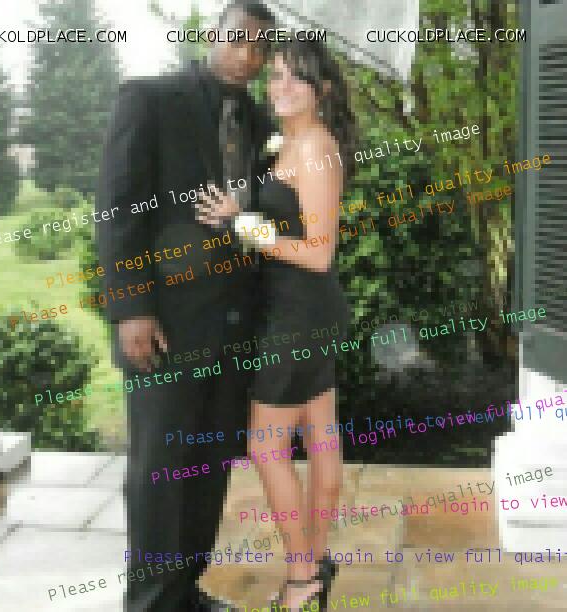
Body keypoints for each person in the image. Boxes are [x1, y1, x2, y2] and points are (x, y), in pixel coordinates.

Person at [96, 2, 276, 610]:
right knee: (160, 468)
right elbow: (118, 209)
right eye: (238, 39)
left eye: (261, 47)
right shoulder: (149, 100)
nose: (248, 56)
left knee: (208, 463)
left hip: (233, 324)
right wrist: (131, 308)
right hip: (165, 325)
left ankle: (184, 591)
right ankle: (150, 601)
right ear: (211, 34)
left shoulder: (260, 120)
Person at [195, 38, 355, 610]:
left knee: (266, 448)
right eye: (277, 74)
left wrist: (242, 223)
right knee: (320, 436)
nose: (280, 85)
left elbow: (318, 252)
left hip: (297, 316)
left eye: (296, 77)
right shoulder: (292, 142)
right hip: (304, 311)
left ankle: (302, 578)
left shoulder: (315, 149)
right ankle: (316, 562)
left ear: (323, 90)